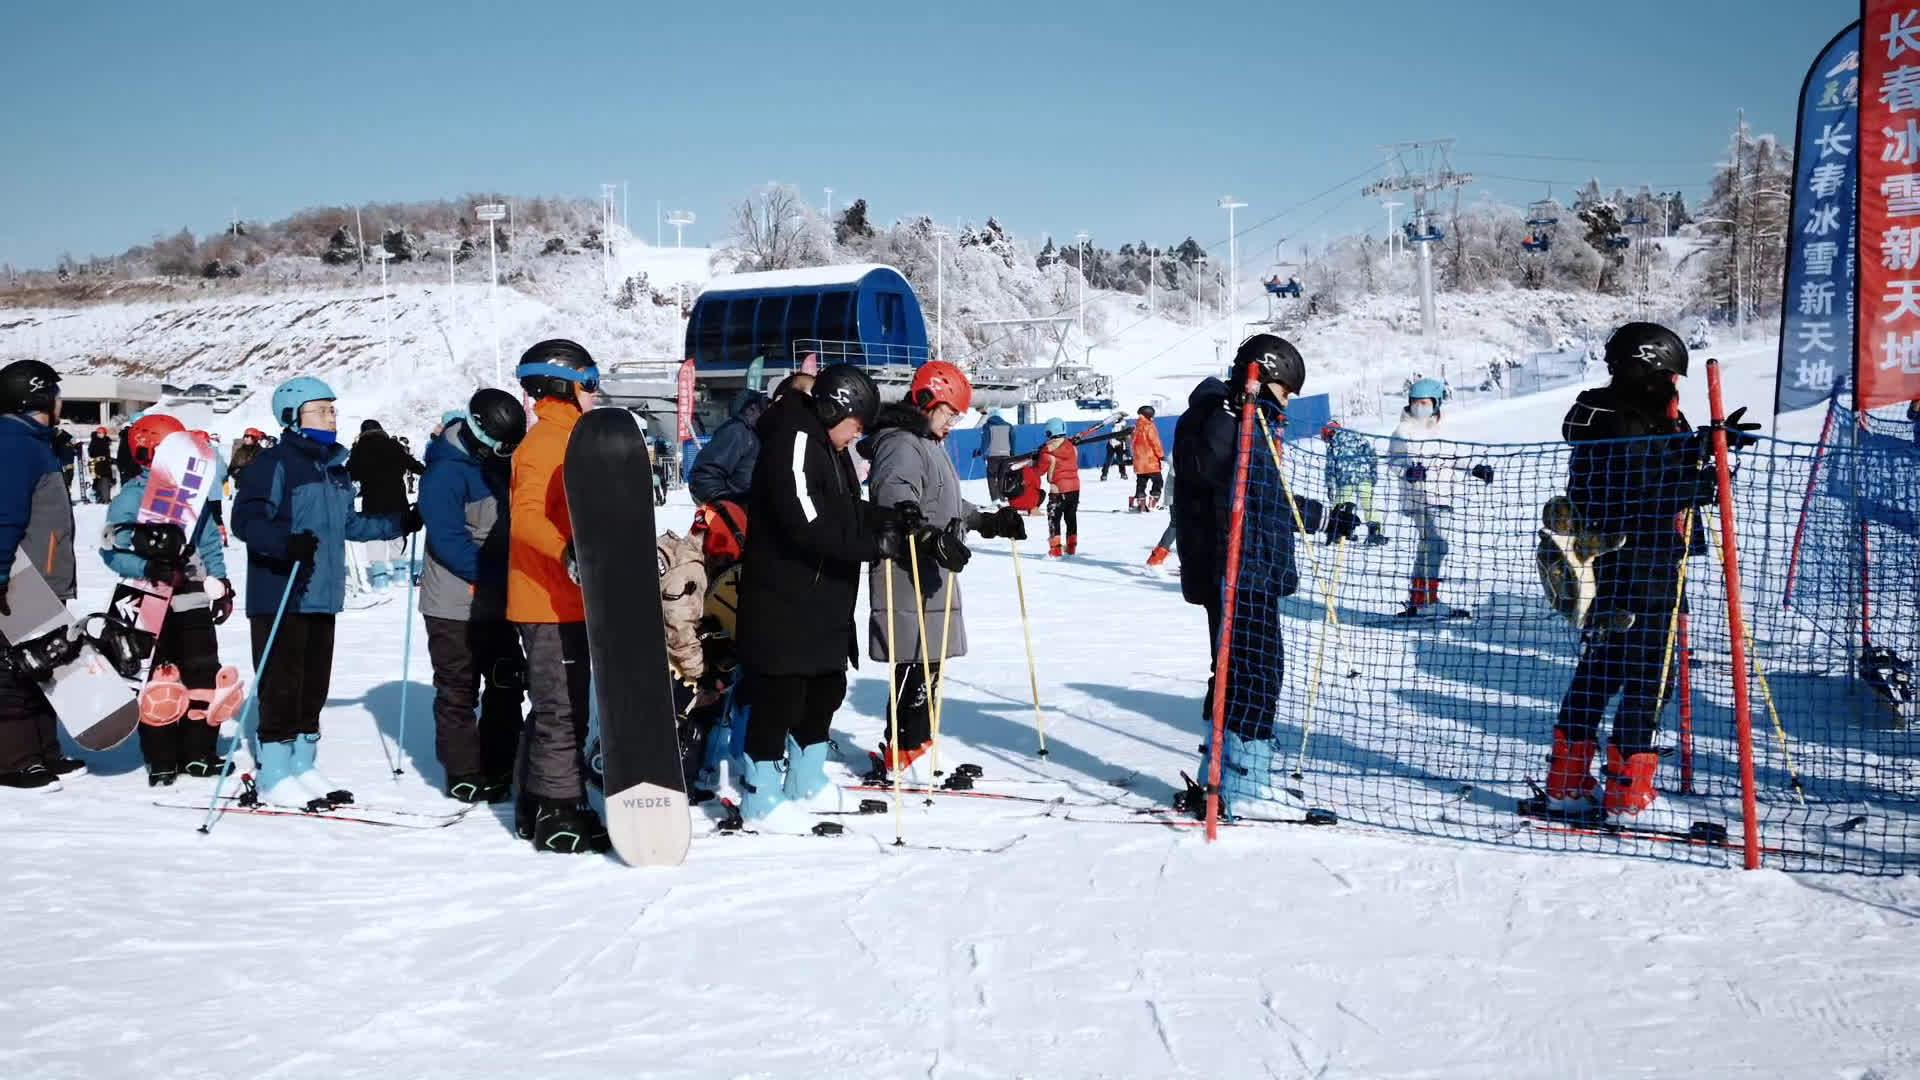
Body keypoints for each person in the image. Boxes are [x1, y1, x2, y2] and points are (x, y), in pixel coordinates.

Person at [734, 363, 953, 832]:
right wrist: (874, 546)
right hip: (784, 594)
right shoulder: (793, 439)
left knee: (825, 688)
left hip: (823, 596)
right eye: (855, 426)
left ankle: (805, 781)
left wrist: (891, 522)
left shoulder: (827, 447)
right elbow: (807, 522)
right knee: (780, 695)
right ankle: (761, 795)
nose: (856, 437)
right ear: (836, 409)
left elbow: (844, 507)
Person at [1545, 323, 1737, 818]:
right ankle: (1628, 793)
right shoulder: (1622, 419)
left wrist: (1708, 449)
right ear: (1647, 370)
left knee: (1603, 669)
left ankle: (1568, 779)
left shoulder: (1635, 416)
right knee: (1650, 677)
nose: (1674, 386)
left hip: (1625, 562)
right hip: (1641, 564)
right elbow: (1636, 491)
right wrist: (1693, 480)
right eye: (1668, 376)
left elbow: (1657, 470)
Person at [1169, 335, 1343, 818]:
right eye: (1283, 392)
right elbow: (1217, 471)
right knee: (1250, 673)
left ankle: (1243, 776)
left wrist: (1325, 517)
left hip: (1253, 567)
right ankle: (1235, 785)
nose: (1284, 405)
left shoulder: (1251, 420)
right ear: (1262, 376)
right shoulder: (1216, 416)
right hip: (1232, 568)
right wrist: (1242, 409)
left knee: (1257, 672)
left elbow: (1270, 495)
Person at [231, 376, 418, 809]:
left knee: (312, 685)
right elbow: (247, 520)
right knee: (281, 684)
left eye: (332, 409)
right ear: (292, 417)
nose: (330, 417)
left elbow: (349, 525)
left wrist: (398, 522)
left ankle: (302, 764)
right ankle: (275, 771)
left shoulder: (334, 469)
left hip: (322, 594)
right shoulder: (273, 464)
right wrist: (283, 543)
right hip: (282, 593)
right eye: (320, 410)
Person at [861, 362, 1023, 779]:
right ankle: (904, 749)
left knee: (930, 663)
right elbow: (897, 498)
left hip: (931, 570)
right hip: (906, 568)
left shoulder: (926, 443)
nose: (953, 422)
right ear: (928, 399)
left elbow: (947, 504)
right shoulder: (901, 444)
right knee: (914, 661)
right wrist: (925, 535)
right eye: (950, 412)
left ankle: (921, 742)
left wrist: (986, 521)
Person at [102, 413, 241, 786]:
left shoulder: (189, 494)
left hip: (193, 597)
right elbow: (111, 549)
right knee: (161, 682)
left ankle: (199, 752)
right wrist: (149, 569)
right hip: (149, 602)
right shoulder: (130, 498)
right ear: (150, 451)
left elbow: (210, 540)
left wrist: (221, 581)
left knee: (202, 676)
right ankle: (162, 757)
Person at [507, 338, 607, 853]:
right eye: (588, 382)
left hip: (560, 598)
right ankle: (557, 810)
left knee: (556, 704)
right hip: (548, 599)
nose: (595, 391)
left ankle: (534, 800)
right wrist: (569, 554)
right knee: (562, 710)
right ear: (563, 384)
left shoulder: (570, 437)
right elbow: (527, 517)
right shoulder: (548, 442)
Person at [419, 389, 528, 804]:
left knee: (505, 681)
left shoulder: (495, 464)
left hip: (497, 597)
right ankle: (463, 770)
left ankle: (499, 764)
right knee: (458, 687)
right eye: (501, 445)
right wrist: (490, 577)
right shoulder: (446, 472)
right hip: (454, 602)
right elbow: (448, 539)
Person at [0, 360, 86, 788]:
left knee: (44, 665)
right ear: (35, 396)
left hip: (43, 579)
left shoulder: (37, 442)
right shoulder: (13, 443)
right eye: (55, 392)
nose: (60, 401)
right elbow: (5, 516)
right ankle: (14, 759)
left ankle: (44, 752)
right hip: (20, 581)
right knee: (13, 671)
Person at [1387, 378, 1492, 619]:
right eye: (1415, 403)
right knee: (1436, 545)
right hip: (1420, 497)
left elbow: (1453, 456)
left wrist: (1474, 467)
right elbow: (1392, 461)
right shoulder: (1403, 431)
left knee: (1430, 547)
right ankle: (1425, 601)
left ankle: (1420, 598)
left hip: (1443, 496)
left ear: (1436, 403)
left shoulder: (1439, 430)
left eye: (1424, 402)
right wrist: (1408, 471)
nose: (1419, 407)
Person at [347, 419, 424, 590]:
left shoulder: (360, 449)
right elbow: (413, 465)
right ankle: (400, 574)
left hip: (372, 502)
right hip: (396, 500)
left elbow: (350, 473)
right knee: (397, 535)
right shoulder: (393, 446)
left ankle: (380, 579)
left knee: (375, 537)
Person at [689, 388, 768, 506]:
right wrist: (726, 507)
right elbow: (704, 475)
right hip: (736, 515)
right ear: (751, 409)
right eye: (763, 409)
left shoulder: (752, 434)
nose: (766, 415)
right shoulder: (737, 431)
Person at [1320, 421, 1387, 546]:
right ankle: (1375, 532)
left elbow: (1330, 468)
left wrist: (1330, 486)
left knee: (1341, 503)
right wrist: (1373, 473)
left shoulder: (1333, 446)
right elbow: (1371, 454)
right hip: (1363, 475)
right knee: (1369, 503)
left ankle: (1338, 531)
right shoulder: (1357, 436)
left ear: (1329, 434)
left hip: (1344, 478)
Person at [1038, 419, 1081, 556]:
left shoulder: (1047, 452)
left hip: (1058, 489)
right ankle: (1071, 547)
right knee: (1071, 517)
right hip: (1075, 487)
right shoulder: (1073, 448)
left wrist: (1037, 458)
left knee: (1054, 518)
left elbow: (1039, 471)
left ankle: (1055, 549)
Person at [1130, 405, 1166, 510]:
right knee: (1158, 481)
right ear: (1148, 415)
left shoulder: (1136, 427)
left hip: (1139, 462)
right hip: (1151, 462)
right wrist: (1161, 455)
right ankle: (1153, 500)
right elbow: (1155, 442)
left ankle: (1141, 500)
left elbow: (1132, 443)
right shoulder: (1149, 426)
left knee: (1141, 482)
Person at [87, 426, 115, 505]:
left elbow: (107, 453)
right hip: (98, 464)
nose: (100, 434)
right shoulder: (94, 441)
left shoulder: (106, 441)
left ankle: (104, 497)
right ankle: (102, 497)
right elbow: (91, 453)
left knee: (106, 479)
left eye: (102, 433)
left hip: (106, 464)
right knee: (100, 479)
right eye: (99, 433)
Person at [53, 426, 79, 503]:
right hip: (63, 465)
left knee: (67, 483)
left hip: (68, 464)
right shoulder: (57, 442)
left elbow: (73, 452)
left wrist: (76, 449)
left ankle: (67, 499)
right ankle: (66, 499)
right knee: (65, 483)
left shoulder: (65, 442)